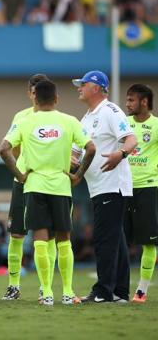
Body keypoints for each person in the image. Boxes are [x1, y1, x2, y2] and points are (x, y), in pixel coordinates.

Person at [0, 79, 96, 306]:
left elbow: (4, 149)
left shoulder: (25, 121)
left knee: (40, 240)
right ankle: (67, 291)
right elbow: (91, 148)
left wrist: (21, 174)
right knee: (63, 240)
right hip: (61, 187)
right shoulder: (69, 121)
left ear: (35, 96)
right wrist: (78, 174)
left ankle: (46, 293)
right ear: (56, 98)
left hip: (34, 186)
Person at [72, 70, 137, 303]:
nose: (79, 87)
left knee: (104, 238)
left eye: (83, 84)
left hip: (113, 185)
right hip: (97, 186)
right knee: (115, 238)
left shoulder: (111, 111)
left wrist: (120, 154)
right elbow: (76, 154)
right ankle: (119, 292)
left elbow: (131, 139)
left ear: (97, 88)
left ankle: (103, 291)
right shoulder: (86, 118)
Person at [1, 74, 56, 301]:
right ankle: (14, 286)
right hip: (23, 182)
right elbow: (10, 148)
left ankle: (46, 287)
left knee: (49, 236)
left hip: (49, 182)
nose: (35, 95)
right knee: (17, 234)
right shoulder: (21, 117)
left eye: (38, 91)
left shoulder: (58, 119)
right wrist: (21, 170)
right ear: (29, 92)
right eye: (33, 91)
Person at [125, 84, 158, 303]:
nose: (127, 104)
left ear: (144, 102)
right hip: (124, 188)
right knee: (119, 240)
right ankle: (114, 286)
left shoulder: (156, 126)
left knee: (149, 242)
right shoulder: (124, 125)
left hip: (148, 187)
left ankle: (141, 290)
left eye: (131, 100)